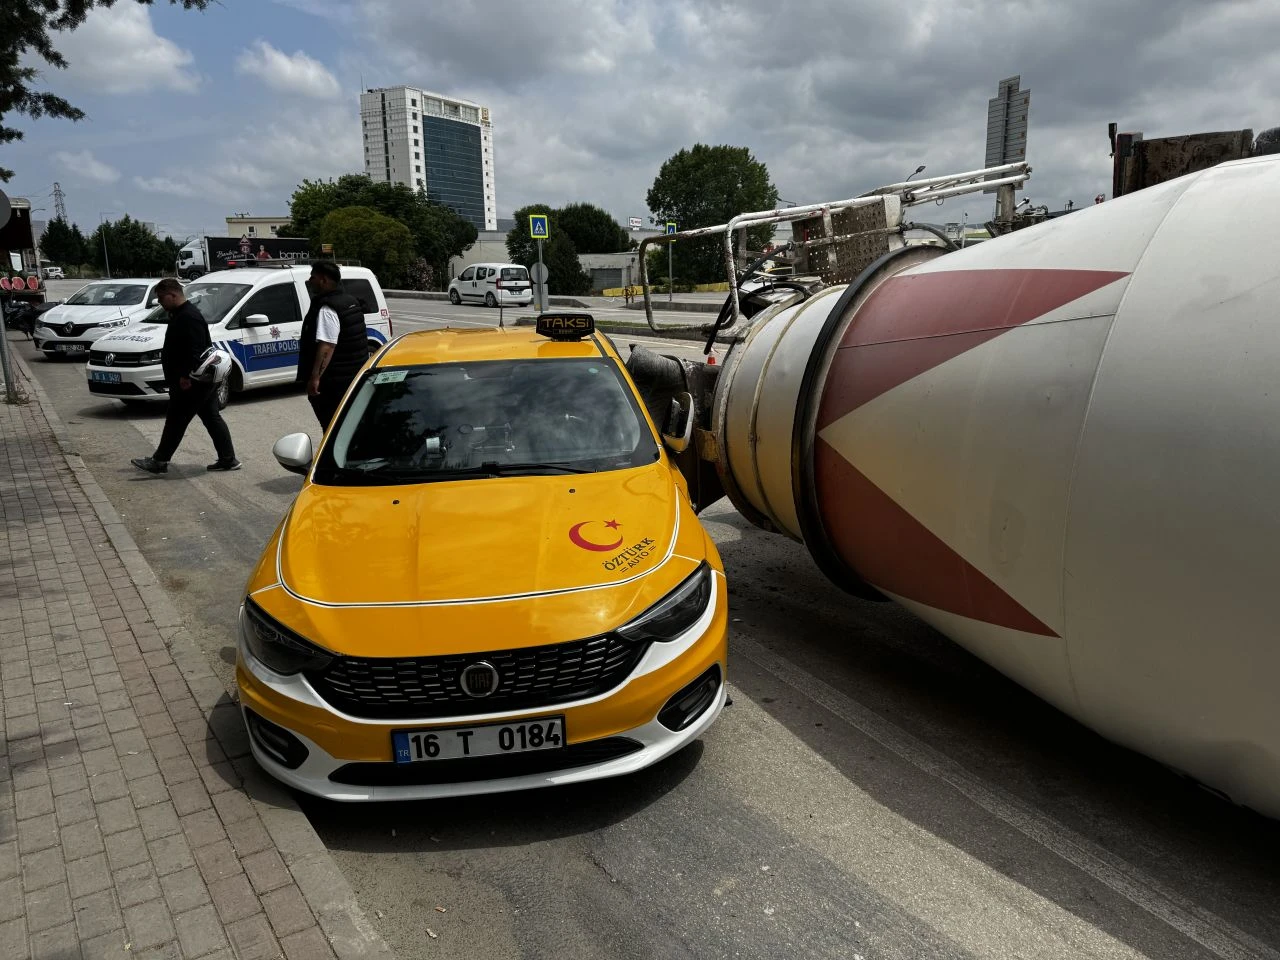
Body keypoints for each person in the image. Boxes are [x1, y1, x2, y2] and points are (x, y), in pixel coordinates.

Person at [130, 278, 240, 474]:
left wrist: (184, 376)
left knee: (176, 419)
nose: (160, 303)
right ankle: (228, 459)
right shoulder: (181, 314)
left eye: (162, 298)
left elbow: (195, 351)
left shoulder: (188, 316)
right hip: (198, 380)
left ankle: (159, 461)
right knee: (211, 417)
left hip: (192, 381)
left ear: (173, 295)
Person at [297, 260, 368, 429]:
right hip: (353, 377)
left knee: (331, 427)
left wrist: (315, 377)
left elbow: (327, 345)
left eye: (313, 277)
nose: (310, 280)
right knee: (349, 425)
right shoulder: (350, 301)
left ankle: (332, 455)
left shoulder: (327, 308)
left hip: (333, 383)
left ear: (324, 280)